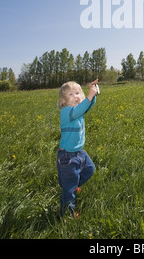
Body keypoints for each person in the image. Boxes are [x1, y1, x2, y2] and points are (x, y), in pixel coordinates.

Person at [56, 79, 98, 217]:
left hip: (79, 152)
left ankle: (73, 185)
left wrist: (94, 95)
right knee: (68, 190)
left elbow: (86, 107)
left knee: (90, 169)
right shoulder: (67, 112)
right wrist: (89, 96)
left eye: (78, 93)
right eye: (70, 94)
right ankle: (67, 214)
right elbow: (81, 108)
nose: (75, 96)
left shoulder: (77, 110)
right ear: (63, 100)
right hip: (67, 156)